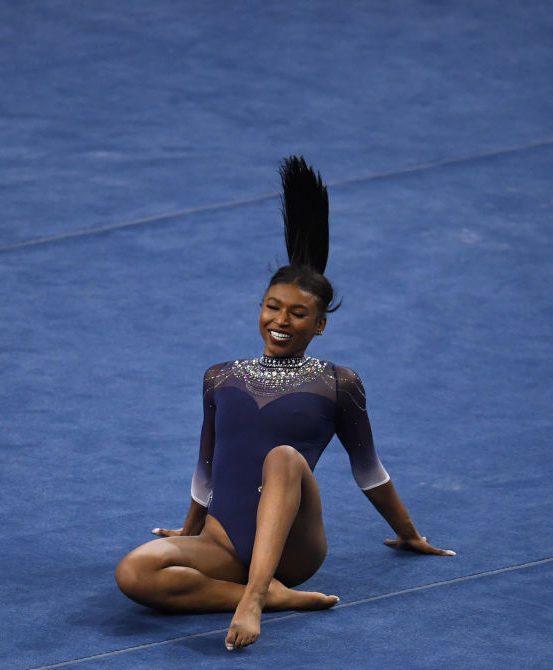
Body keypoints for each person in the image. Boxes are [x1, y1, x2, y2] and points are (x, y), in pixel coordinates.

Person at [115, 156, 455, 651]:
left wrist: (409, 533)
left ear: (319, 326)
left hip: (294, 549)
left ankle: (255, 598)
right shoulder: (220, 377)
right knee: (133, 572)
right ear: (260, 307)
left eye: (299, 314)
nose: (281, 320)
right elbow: (207, 464)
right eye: (273, 307)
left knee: (283, 457)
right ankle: (273, 597)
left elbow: (369, 471)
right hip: (223, 539)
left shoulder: (339, 383)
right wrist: (190, 530)